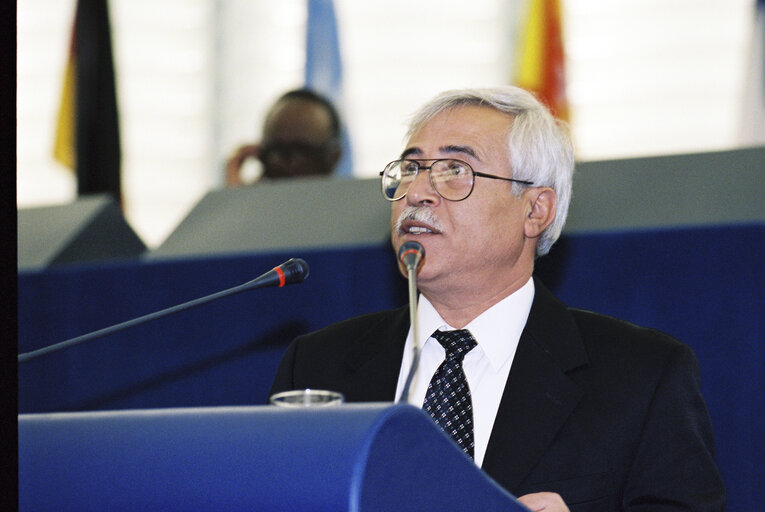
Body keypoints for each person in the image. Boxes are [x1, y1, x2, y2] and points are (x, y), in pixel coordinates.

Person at [269, 86, 725, 511]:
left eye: (455, 171)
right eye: (411, 168)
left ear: (535, 210)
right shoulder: (316, 366)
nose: (418, 192)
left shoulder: (642, 377)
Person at [225, 88, 342, 185]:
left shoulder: (353, 209)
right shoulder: (250, 205)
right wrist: (235, 199)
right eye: (277, 151)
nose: (287, 167)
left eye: (303, 153)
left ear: (333, 158)